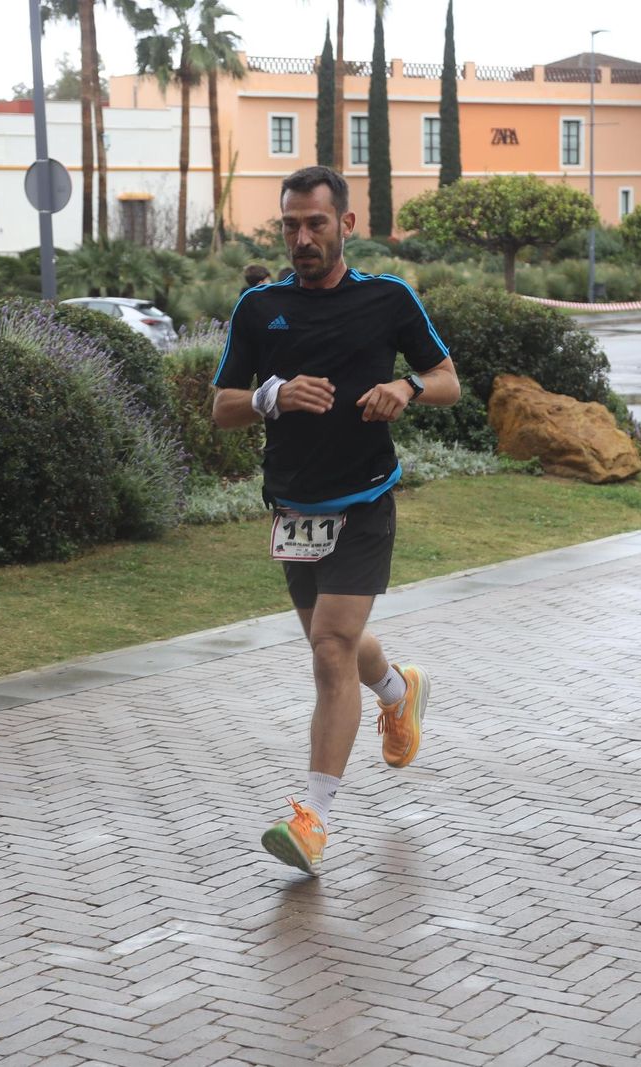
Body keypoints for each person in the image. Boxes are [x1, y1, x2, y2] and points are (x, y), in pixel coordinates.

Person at [212, 166, 461, 876]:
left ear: (346, 224)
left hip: (364, 500)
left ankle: (313, 820)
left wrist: (406, 387)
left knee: (328, 647)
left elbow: (448, 379)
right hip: (293, 507)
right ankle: (398, 690)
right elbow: (221, 405)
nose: (301, 238)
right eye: (290, 225)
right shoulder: (260, 308)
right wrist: (275, 393)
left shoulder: (387, 298)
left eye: (315, 224)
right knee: (339, 645)